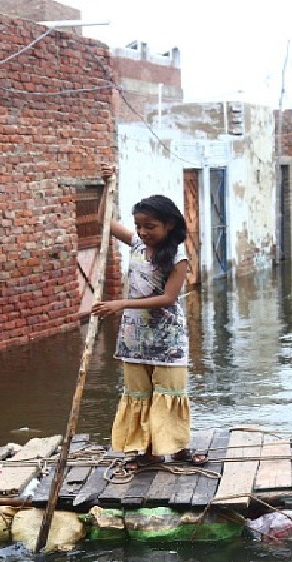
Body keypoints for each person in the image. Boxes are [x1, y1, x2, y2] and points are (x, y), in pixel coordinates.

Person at [92, 180, 207, 470]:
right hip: (134, 336)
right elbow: (101, 219)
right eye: (139, 226)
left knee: (169, 394)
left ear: (168, 225)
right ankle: (149, 453)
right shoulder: (138, 245)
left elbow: (168, 299)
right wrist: (108, 186)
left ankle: (178, 448)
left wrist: (120, 304)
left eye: (150, 226)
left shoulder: (179, 258)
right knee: (139, 394)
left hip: (167, 338)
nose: (143, 232)